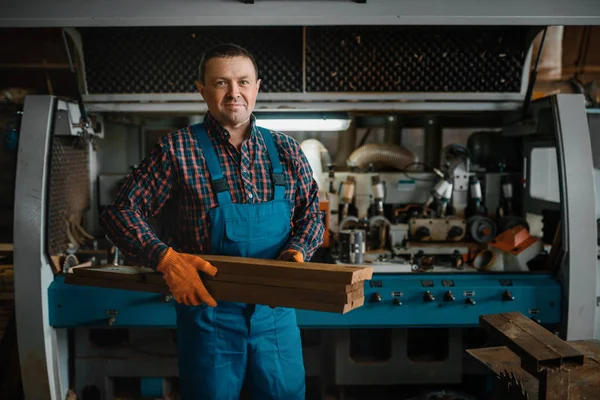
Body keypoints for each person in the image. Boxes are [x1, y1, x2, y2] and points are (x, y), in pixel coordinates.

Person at [99, 43, 325, 399]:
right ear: (202, 90)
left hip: (276, 316)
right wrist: (166, 259)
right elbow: (119, 213)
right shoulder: (176, 149)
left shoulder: (286, 149)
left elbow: (311, 212)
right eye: (221, 83)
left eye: (243, 82)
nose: (234, 93)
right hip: (209, 316)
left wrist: (298, 251)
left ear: (257, 87)